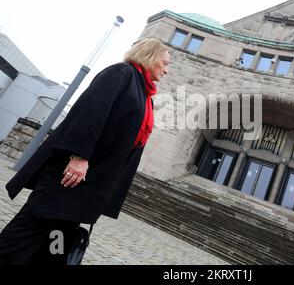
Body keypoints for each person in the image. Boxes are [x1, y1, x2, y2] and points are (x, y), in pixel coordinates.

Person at [0, 38, 170, 264]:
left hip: (91, 184)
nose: (166, 70)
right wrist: (79, 156)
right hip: (71, 176)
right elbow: (89, 114)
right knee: (30, 230)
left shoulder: (143, 93)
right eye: (164, 63)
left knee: (57, 243)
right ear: (150, 57)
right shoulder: (121, 74)